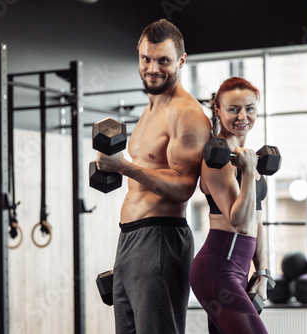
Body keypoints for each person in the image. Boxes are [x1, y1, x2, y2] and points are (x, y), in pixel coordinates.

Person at [95, 19, 211, 334]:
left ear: (181, 61)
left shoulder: (187, 115)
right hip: (130, 239)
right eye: (146, 58)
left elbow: (185, 186)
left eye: (163, 60)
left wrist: (126, 167)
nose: (152, 68)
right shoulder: (149, 111)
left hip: (160, 239)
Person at [189, 77, 271, 334]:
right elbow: (241, 223)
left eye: (250, 108)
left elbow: (257, 221)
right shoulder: (218, 160)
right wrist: (247, 173)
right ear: (218, 111)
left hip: (240, 270)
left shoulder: (249, 158)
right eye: (233, 109)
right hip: (216, 268)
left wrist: (263, 274)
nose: (242, 116)